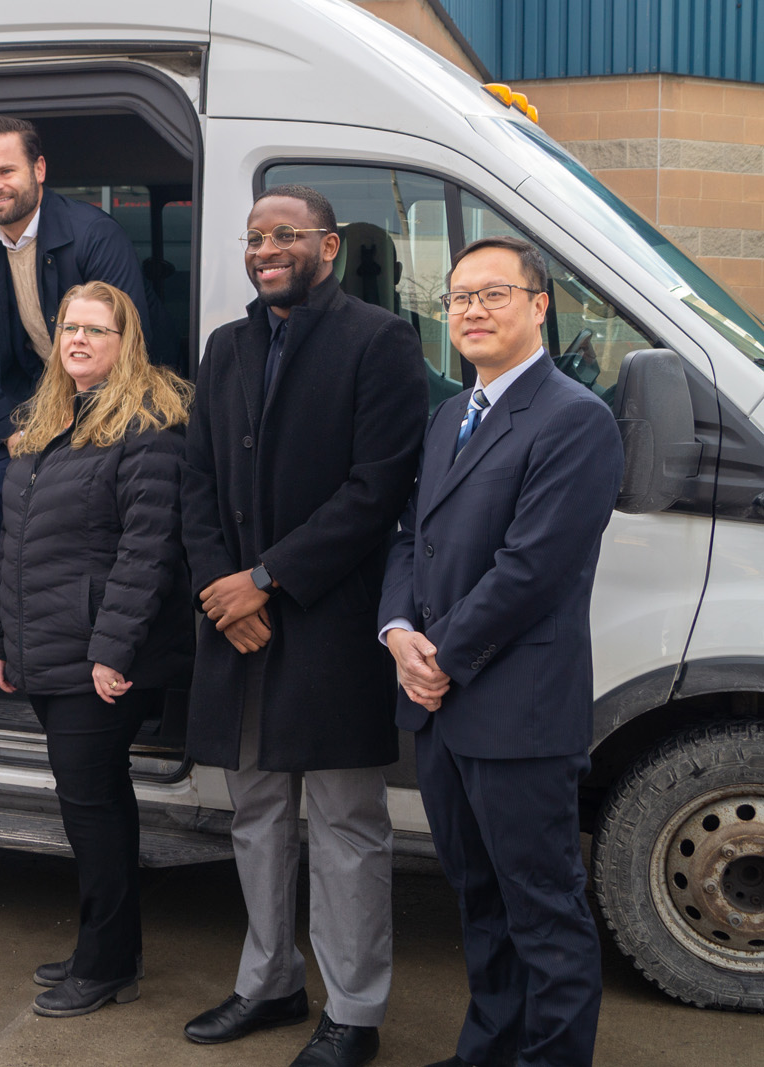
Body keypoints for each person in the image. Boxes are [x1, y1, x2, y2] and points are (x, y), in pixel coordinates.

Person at [180, 186, 426, 1066]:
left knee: (345, 823)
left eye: (284, 235)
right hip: (236, 623)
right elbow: (198, 482)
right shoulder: (228, 346)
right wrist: (221, 587)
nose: (265, 249)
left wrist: (267, 579)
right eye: (254, 237)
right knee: (255, 813)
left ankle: (354, 1010)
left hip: (324, 623)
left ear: (327, 244)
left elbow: (377, 490)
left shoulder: (380, 339)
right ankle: (269, 983)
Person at [378, 236, 623, 1067]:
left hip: (517, 709)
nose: (472, 311)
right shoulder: (451, 412)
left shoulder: (573, 418)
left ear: (540, 303)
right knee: (479, 901)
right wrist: (398, 633)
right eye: (457, 298)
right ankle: (487, 1049)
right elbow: (412, 537)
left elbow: (532, 567)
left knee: (543, 911)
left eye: (493, 293)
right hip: (441, 708)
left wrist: (440, 653)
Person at [0, 281, 192, 1018]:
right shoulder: (50, 423)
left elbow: (149, 554)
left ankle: (103, 967)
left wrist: (113, 651)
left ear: (124, 340)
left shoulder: (147, 427)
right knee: (95, 806)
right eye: (69, 327)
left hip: (99, 661)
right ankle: (110, 951)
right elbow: (17, 548)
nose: (78, 339)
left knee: (93, 811)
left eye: (96, 330)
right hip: (47, 647)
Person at [0, 116, 153, 655]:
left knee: (87, 494)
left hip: (117, 401)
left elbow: (133, 344)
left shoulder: (94, 234)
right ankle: (15, 619)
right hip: (47, 402)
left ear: (39, 170)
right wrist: (9, 431)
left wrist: (92, 429)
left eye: (6, 169)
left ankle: (90, 626)